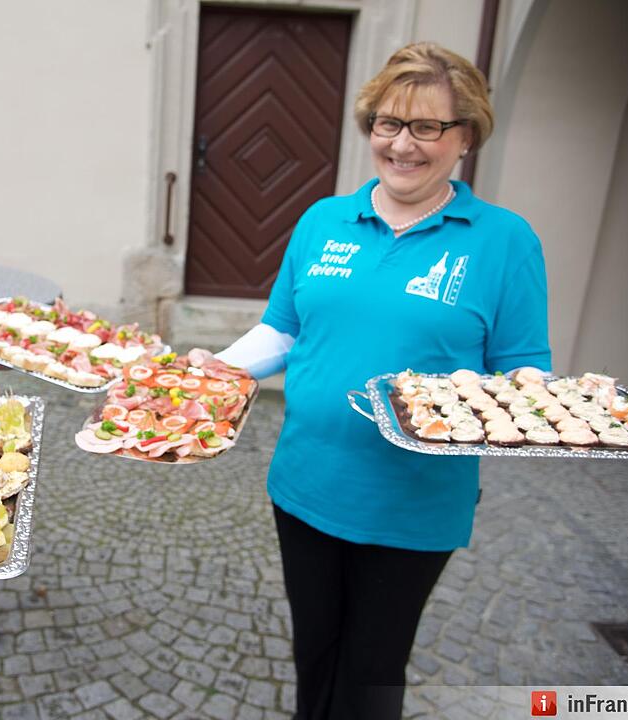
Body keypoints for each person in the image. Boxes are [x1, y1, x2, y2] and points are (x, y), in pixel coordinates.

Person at [214, 42, 551, 719]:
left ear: (466, 137)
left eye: (426, 126)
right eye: (387, 123)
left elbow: (523, 367)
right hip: (305, 481)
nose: (402, 144)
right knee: (313, 651)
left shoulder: (504, 240)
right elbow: (282, 328)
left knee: (372, 667)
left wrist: (533, 403)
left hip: (413, 503)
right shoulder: (322, 220)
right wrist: (212, 370)